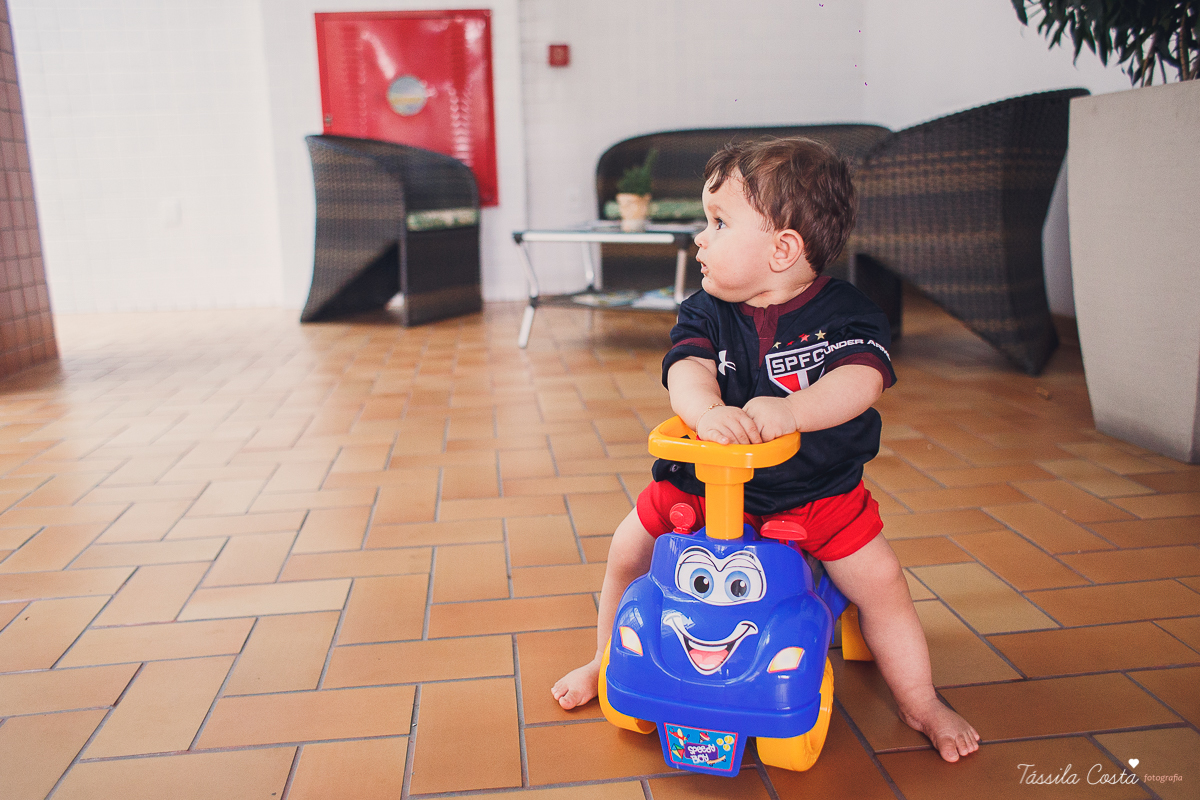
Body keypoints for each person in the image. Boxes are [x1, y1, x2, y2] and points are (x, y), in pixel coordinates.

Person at [551, 137, 980, 762]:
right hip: (699, 488)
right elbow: (686, 373)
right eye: (706, 220)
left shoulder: (847, 313)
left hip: (815, 493)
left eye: (719, 223)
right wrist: (708, 414)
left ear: (784, 249)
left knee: (881, 581)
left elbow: (861, 381)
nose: (700, 237)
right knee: (626, 550)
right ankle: (603, 659)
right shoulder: (704, 310)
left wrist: (794, 412)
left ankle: (921, 701)